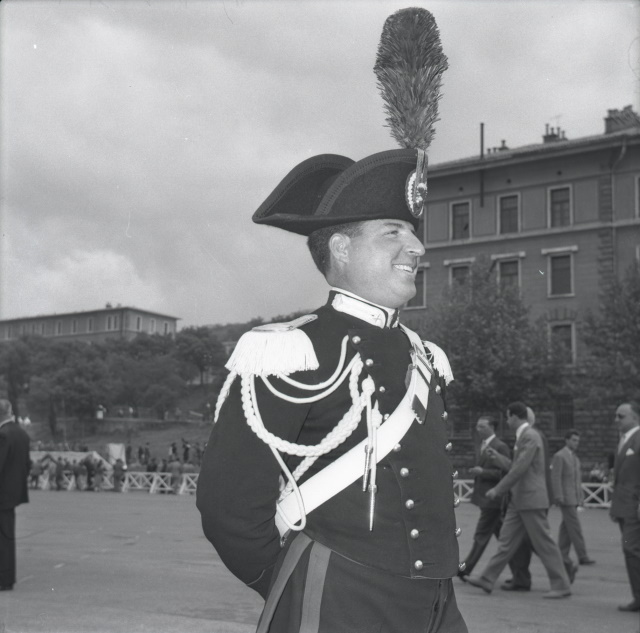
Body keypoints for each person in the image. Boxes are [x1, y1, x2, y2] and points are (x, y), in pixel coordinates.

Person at [197, 9, 467, 632]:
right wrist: (296, 579)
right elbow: (229, 507)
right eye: (393, 231)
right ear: (341, 248)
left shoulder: (424, 355)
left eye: (413, 232)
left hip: (435, 601)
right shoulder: (291, 352)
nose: (416, 247)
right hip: (340, 595)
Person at [467, 401, 571, 599]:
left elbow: (520, 468)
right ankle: (487, 578)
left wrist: (498, 489)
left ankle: (561, 584)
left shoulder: (530, 436)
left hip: (530, 499)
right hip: (520, 499)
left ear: (515, 417)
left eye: (508, 417)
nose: (506, 421)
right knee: (506, 542)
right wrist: (497, 458)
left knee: (544, 543)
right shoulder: (524, 436)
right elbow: (515, 465)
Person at [458, 416, 510, 581]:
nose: (478, 429)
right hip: (486, 498)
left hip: (493, 499)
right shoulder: (482, 444)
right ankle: (521, 572)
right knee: (506, 538)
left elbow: (506, 472)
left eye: (482, 426)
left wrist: (483, 472)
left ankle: (466, 568)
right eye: (477, 426)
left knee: (481, 534)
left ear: (492, 427)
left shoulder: (500, 446)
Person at [551, 429, 595, 573]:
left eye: (578, 441)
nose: (576, 443)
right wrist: (558, 495)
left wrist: (580, 497)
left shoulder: (575, 458)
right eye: (574, 440)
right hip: (565, 498)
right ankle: (582, 556)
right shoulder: (559, 456)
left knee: (566, 528)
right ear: (567, 440)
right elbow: (556, 477)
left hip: (574, 497)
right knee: (575, 527)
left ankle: (561, 554)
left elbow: (577, 480)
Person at [610, 401, 640, 613]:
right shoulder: (624, 439)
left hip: (634, 507)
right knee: (632, 549)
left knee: (631, 548)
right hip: (624, 506)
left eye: (621, 416)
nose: (616, 420)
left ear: (635, 417)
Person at [0, 399, 31, 591]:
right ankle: (7, 577)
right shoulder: (21, 433)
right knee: (6, 536)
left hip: (2, 494)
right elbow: (27, 465)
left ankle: (4, 578)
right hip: (11, 493)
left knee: (3, 539)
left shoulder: (3, 434)